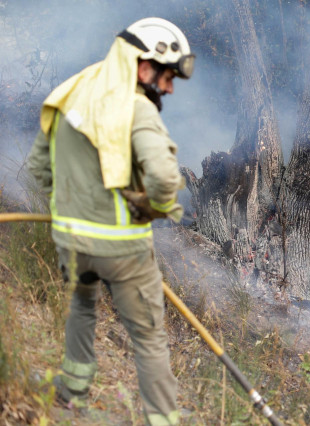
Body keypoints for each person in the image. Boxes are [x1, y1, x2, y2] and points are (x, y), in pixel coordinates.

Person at [26, 17, 195, 425]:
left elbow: (38, 168)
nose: (169, 88)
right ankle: (163, 419)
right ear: (143, 66)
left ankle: (71, 395)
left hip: (72, 243)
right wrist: (152, 207)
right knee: (150, 337)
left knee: (82, 310)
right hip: (123, 251)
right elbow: (165, 177)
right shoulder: (135, 107)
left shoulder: (71, 92)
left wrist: (70, 210)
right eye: (168, 76)